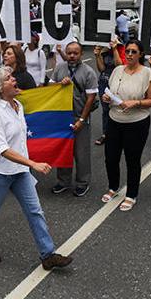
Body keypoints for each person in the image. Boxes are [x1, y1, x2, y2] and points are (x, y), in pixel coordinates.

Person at [0, 65, 73, 271]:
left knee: (35, 211)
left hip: (19, 172)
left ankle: (48, 254)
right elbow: (3, 149)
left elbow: (20, 141)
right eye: (9, 78)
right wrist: (33, 163)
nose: (14, 79)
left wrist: (27, 165)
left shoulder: (17, 105)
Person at [101, 40, 151, 211]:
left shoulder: (147, 73)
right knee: (111, 157)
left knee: (132, 160)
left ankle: (131, 194)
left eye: (134, 51)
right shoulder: (118, 70)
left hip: (137, 123)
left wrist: (137, 102)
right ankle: (113, 187)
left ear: (141, 54)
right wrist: (107, 98)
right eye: (128, 51)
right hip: (114, 120)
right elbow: (110, 91)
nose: (130, 54)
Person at [49, 42, 98, 197]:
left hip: (80, 117)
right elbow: (49, 89)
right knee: (64, 150)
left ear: (81, 54)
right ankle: (63, 181)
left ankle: (82, 182)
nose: (72, 56)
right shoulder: (59, 68)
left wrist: (82, 120)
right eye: (69, 52)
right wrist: (59, 84)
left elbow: (91, 98)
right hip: (62, 117)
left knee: (81, 152)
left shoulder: (88, 72)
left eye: (75, 53)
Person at [93, 39, 123, 146]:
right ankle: (105, 134)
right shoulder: (104, 50)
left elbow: (119, 66)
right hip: (104, 83)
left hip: (116, 84)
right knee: (105, 109)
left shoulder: (122, 49)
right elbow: (102, 69)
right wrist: (97, 56)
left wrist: (115, 49)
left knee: (117, 108)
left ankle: (118, 134)